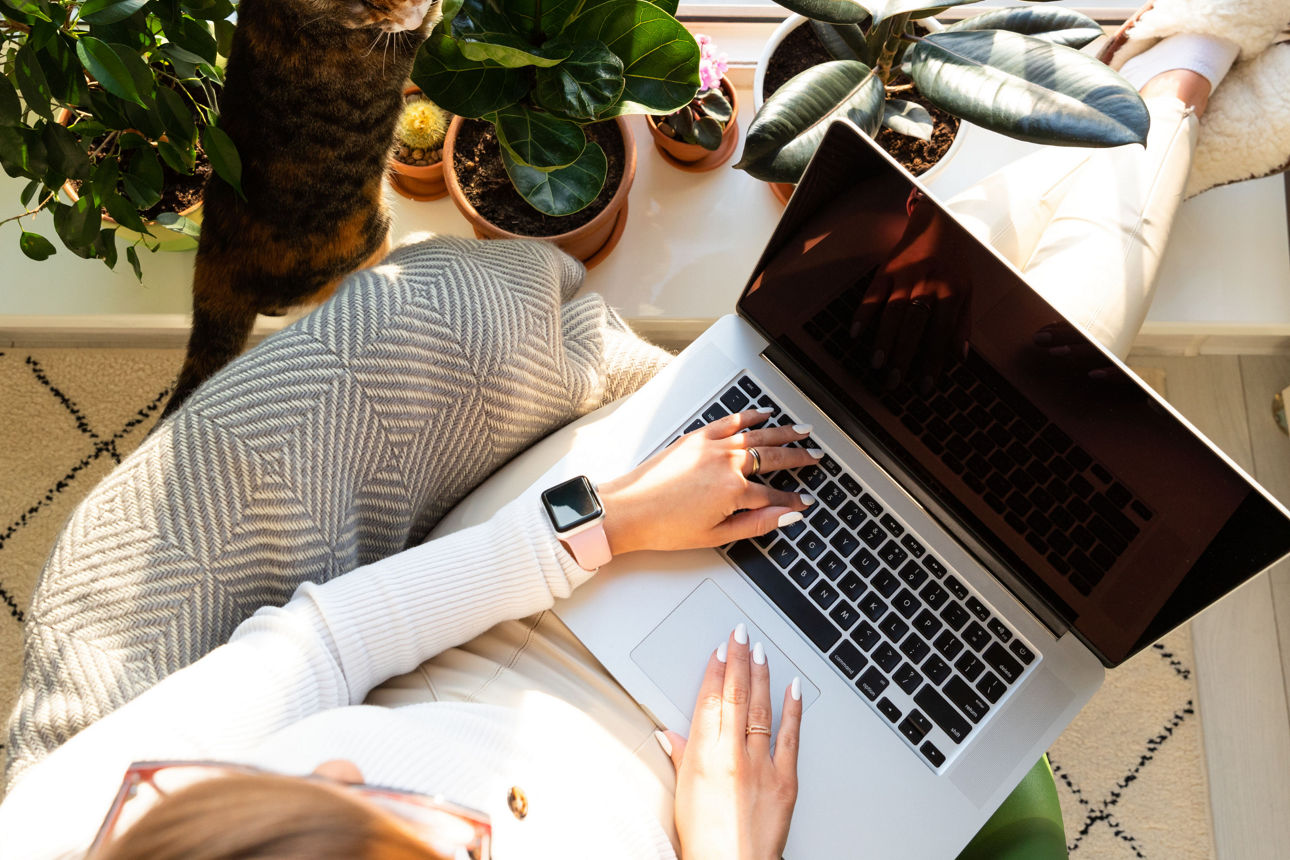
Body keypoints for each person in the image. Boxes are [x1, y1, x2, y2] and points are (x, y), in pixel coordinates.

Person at [3, 2, 1289, 857]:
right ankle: (1171, 85)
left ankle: (1165, 94)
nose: (403, 791)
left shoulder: (99, 822)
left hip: (538, 619)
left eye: (338, 777)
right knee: (1029, 414)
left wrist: (598, 524)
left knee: (897, 349)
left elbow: (333, 636)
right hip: (743, 806)